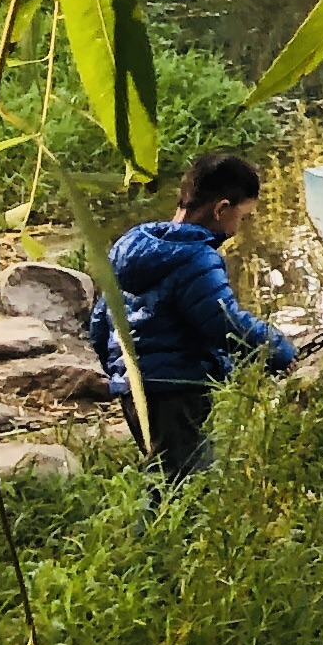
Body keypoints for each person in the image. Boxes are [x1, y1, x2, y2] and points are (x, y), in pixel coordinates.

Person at [89, 151, 297, 484]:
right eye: (242, 216)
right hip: (176, 389)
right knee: (184, 480)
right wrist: (279, 351)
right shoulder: (196, 259)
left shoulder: (129, 245)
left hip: (134, 388)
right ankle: (158, 535)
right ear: (221, 209)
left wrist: (118, 374)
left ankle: (165, 531)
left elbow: (100, 321)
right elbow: (225, 323)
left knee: (164, 470)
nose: (239, 227)